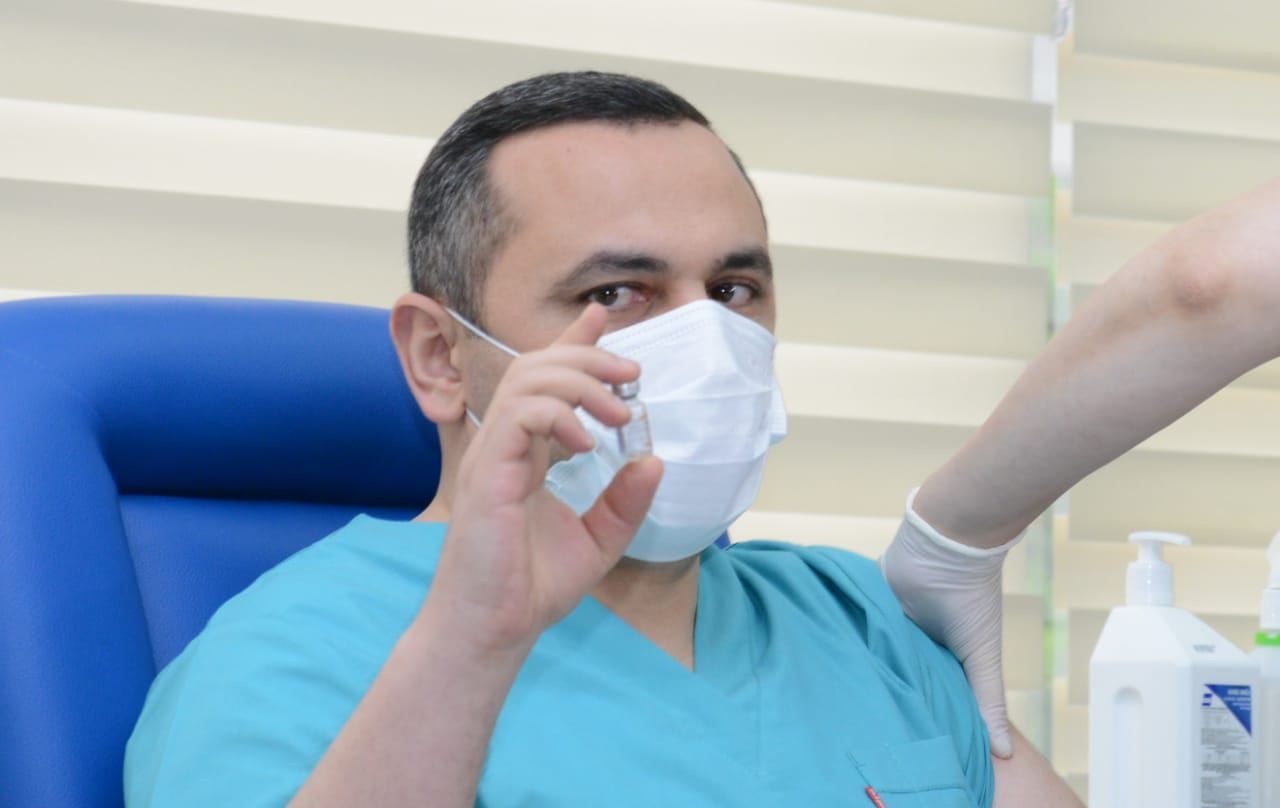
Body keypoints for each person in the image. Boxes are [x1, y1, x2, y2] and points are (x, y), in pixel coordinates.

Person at [124, 70, 1280, 807]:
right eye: (617, 293)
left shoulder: (856, 622)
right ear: (440, 356)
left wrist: (959, 531)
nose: (705, 340)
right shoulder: (292, 657)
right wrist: (470, 649)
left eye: (732, 290)